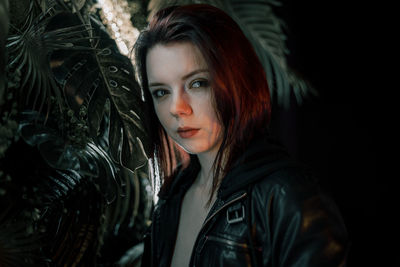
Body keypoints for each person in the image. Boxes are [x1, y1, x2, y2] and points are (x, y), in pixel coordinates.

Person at [134, 4, 348, 267]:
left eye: (197, 83)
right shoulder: (171, 200)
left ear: (235, 81)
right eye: (161, 92)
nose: (177, 108)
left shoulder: (287, 196)